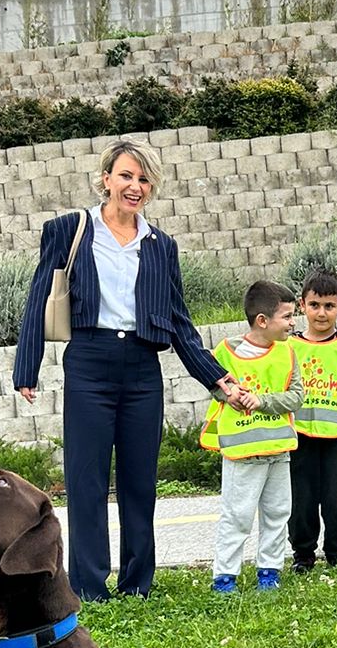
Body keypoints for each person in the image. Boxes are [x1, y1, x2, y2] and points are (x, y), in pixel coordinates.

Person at [14, 139, 245, 601]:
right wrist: (28, 368)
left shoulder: (161, 246)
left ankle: (137, 583)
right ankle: (88, 586)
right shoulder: (69, 230)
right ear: (106, 179)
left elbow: (178, 321)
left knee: (140, 482)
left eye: (144, 179)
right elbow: (40, 297)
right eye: (125, 176)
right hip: (89, 361)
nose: (135, 186)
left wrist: (217, 378)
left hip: (142, 368)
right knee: (86, 481)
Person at [203, 280, 303, 595]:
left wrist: (261, 401)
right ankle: (224, 577)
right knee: (237, 516)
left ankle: (269, 572)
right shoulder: (225, 352)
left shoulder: (288, 352)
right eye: (287, 316)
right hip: (242, 453)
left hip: (278, 451)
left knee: (278, 513)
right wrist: (229, 392)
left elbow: (296, 396)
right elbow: (215, 387)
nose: (293, 323)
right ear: (262, 320)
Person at [289, 267, 337, 574]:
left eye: (329, 306)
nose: (321, 313)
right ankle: (303, 554)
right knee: (301, 500)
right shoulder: (288, 347)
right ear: (302, 305)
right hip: (299, 437)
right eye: (314, 305)